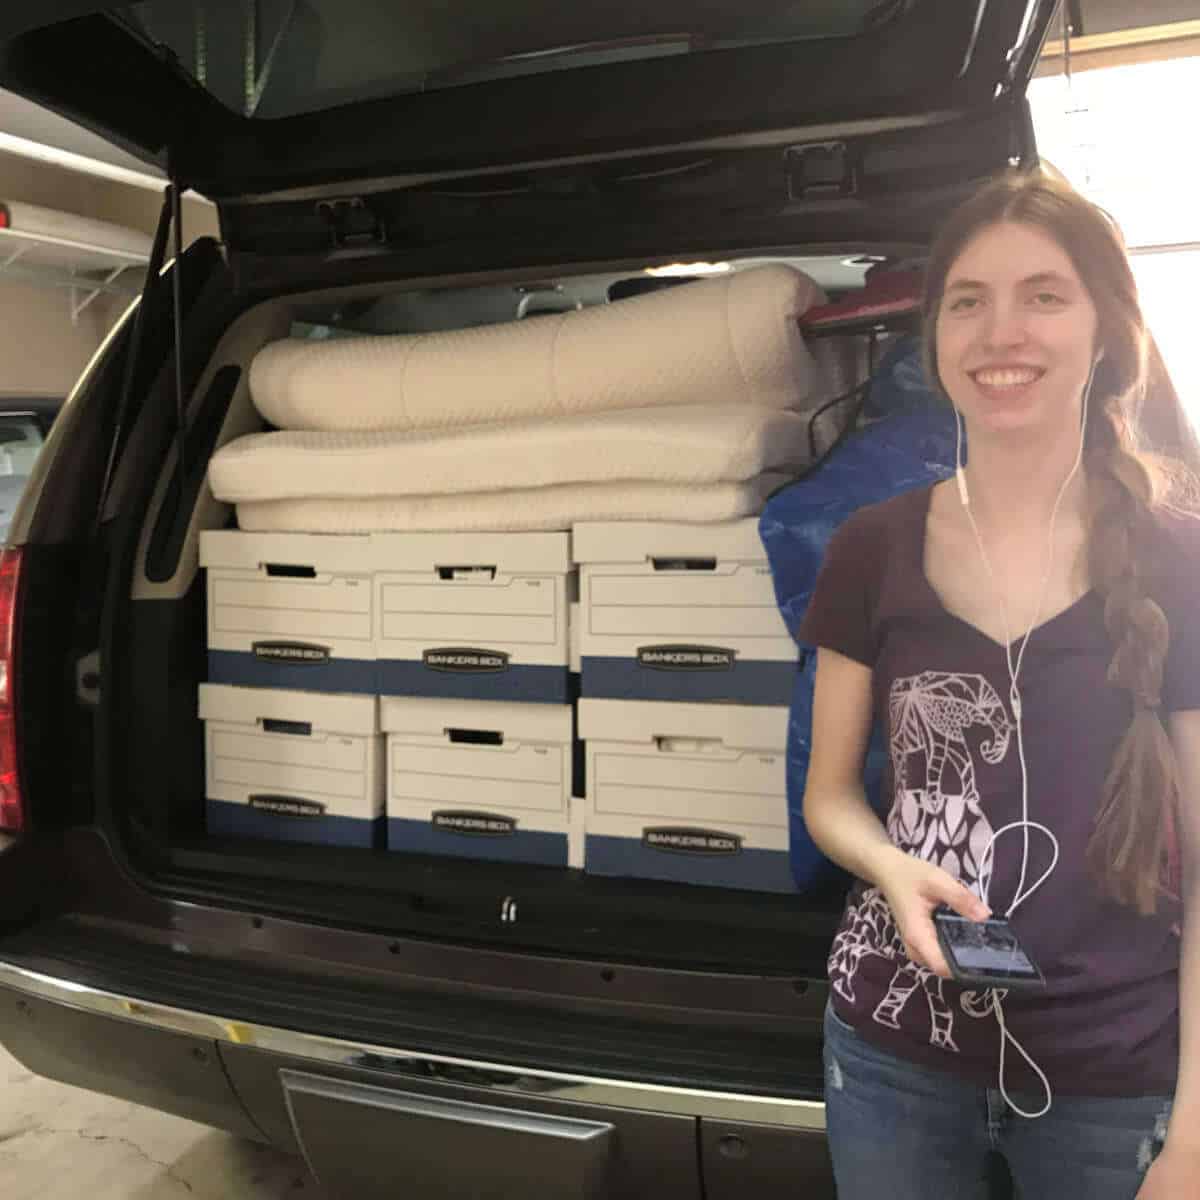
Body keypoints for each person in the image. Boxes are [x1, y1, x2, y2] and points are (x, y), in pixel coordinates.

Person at [799, 169, 1200, 1199]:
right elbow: (830, 797)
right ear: (934, 334)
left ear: (1106, 328)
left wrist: (1194, 1137)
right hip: (892, 1054)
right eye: (967, 300)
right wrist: (891, 868)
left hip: (1115, 1078)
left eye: (1044, 295)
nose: (1000, 331)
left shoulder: (1180, 561)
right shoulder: (871, 548)